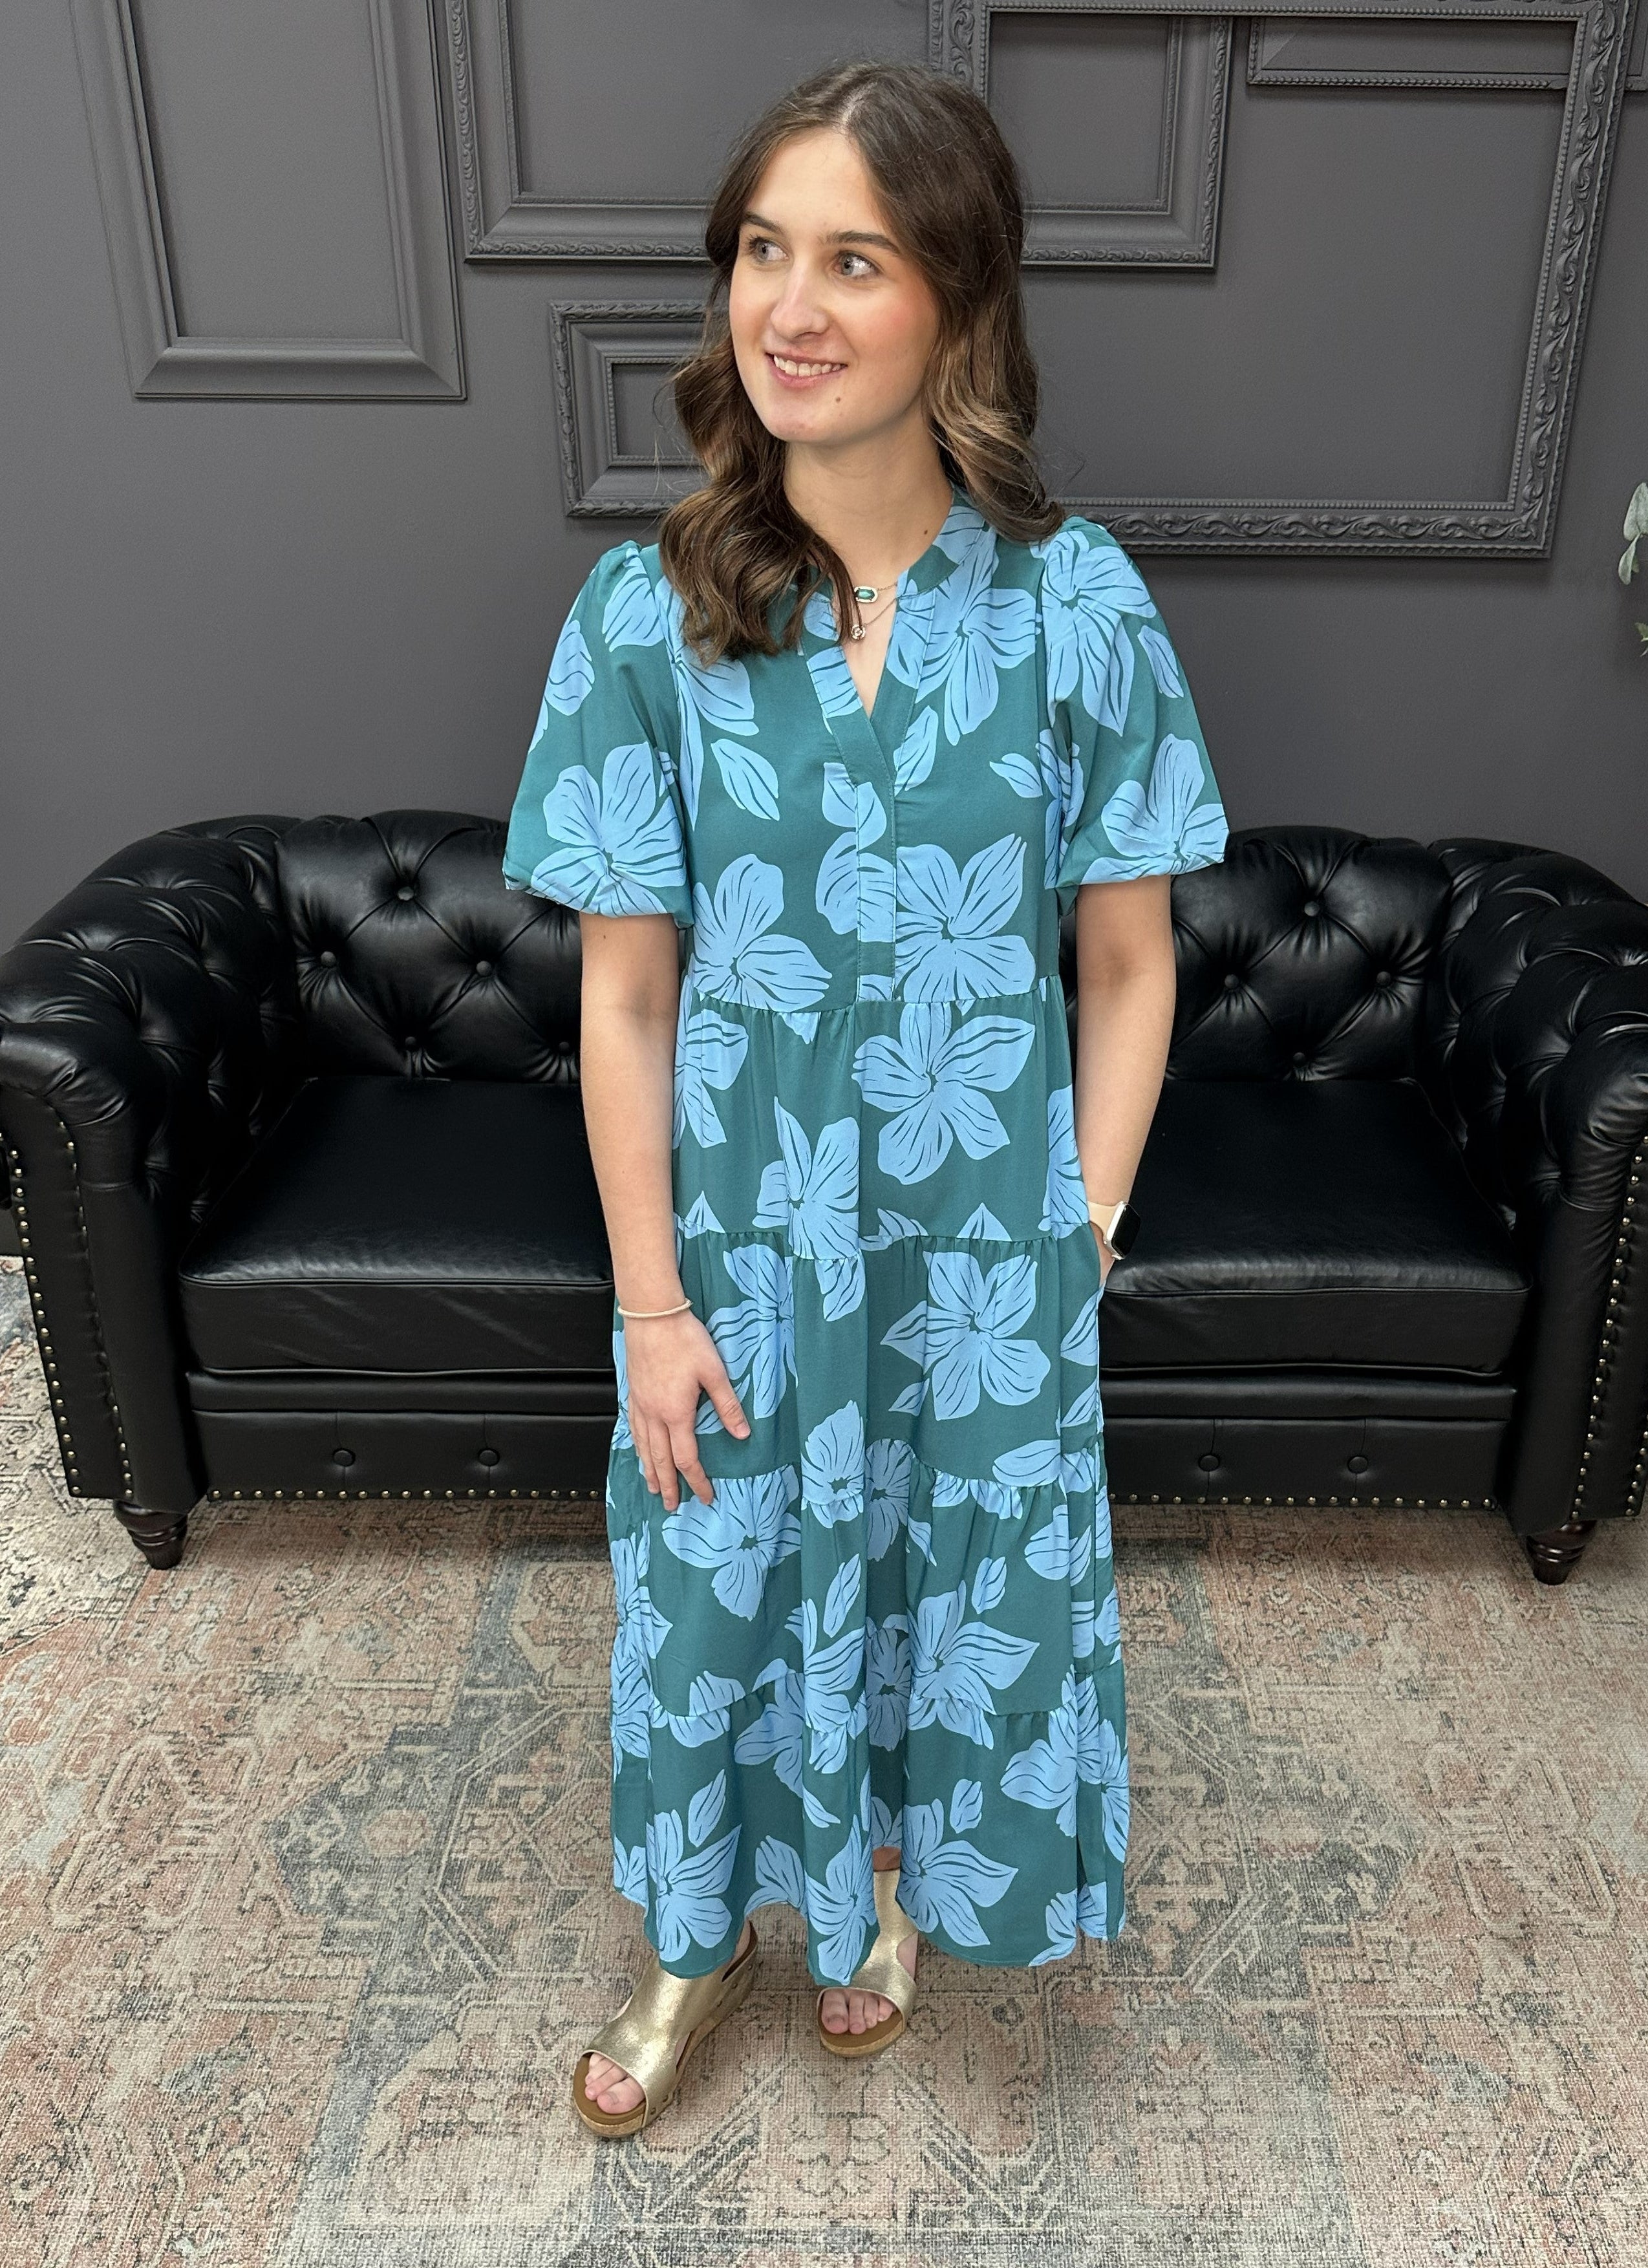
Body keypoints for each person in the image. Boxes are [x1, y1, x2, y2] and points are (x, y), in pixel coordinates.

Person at [502, 58, 1229, 2139]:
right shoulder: (651, 617)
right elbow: (623, 1001)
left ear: (961, 306)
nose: (787, 306)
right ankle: (689, 1936)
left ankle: (880, 1894)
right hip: (731, 1249)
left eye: (853, 258)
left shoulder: (1076, 607)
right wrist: (649, 1296)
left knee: (936, 1594)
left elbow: (1127, 958)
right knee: (710, 1605)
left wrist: (1073, 1232)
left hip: (978, 1253)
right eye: (759, 251)